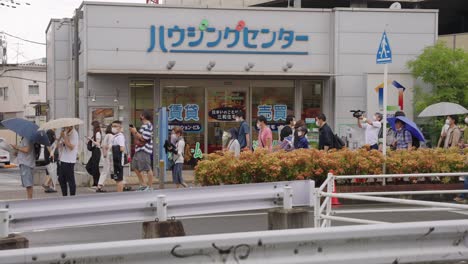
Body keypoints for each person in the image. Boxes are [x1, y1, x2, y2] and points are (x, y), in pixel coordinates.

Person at [129, 111, 154, 191]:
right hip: (139, 149)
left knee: (147, 168)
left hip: (144, 149)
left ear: (143, 116)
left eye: (140, 115)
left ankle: (149, 187)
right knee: (134, 166)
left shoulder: (148, 125)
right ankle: (143, 184)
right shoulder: (144, 126)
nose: (139, 116)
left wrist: (135, 131)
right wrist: (134, 132)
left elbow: (144, 138)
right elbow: (138, 137)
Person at [58, 126, 79, 196]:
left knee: (70, 179)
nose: (65, 127)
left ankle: (72, 196)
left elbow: (71, 147)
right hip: (63, 159)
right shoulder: (65, 133)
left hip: (69, 160)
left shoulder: (74, 134)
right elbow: (59, 145)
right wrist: (60, 138)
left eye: (66, 126)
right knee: (61, 179)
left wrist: (64, 137)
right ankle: (64, 195)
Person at [96, 124, 114, 193]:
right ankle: (99, 185)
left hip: (107, 155)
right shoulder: (111, 135)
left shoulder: (107, 135)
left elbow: (103, 145)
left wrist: (104, 153)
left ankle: (99, 185)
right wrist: (105, 153)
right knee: (106, 170)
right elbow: (109, 146)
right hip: (109, 155)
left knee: (105, 170)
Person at [111, 120, 126, 192]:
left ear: (120, 128)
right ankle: (118, 193)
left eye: (115, 126)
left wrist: (114, 148)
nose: (113, 128)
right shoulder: (115, 136)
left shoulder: (120, 137)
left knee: (119, 179)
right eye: (113, 126)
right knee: (117, 178)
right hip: (116, 159)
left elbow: (122, 148)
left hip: (119, 160)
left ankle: (119, 195)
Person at [86, 121, 102, 188]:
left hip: (97, 151)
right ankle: (97, 181)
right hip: (94, 151)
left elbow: (98, 144)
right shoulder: (95, 134)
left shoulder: (98, 133)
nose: (92, 128)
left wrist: (91, 140)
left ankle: (96, 183)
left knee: (95, 167)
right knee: (89, 167)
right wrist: (88, 142)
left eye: (92, 126)